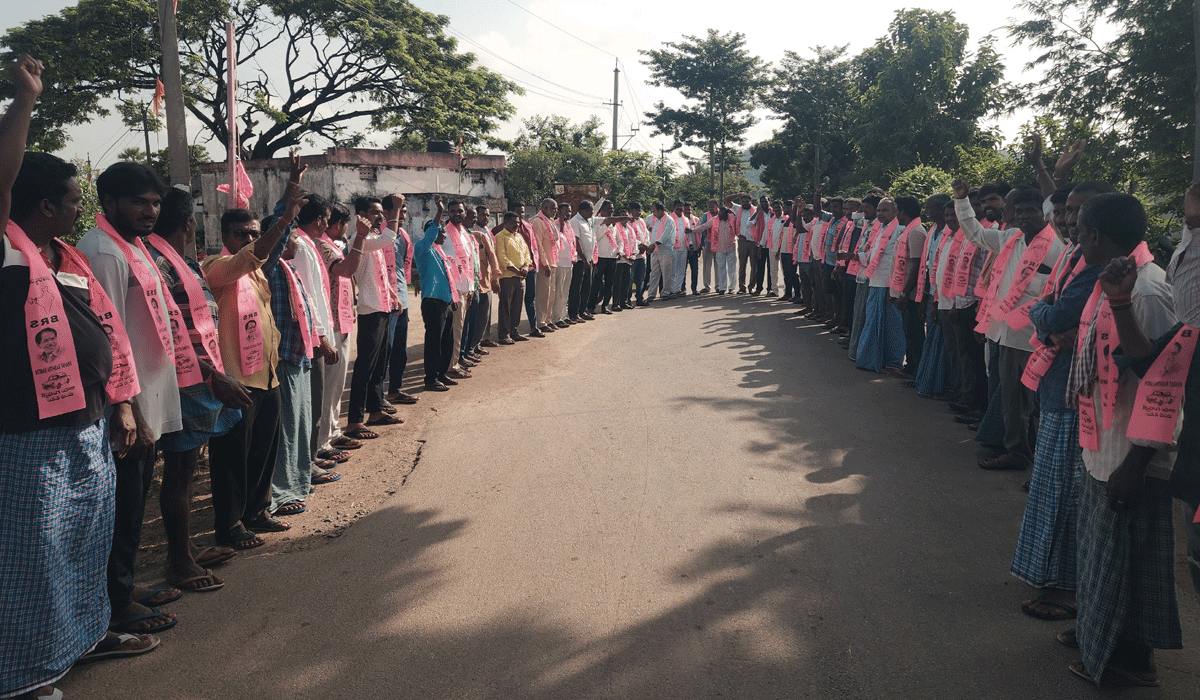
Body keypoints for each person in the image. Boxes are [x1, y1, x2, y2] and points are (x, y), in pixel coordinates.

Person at [0, 57, 158, 700]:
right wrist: (24, 102)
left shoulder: (62, 257)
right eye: (72, 198)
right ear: (42, 204)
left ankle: (80, 640)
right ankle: (27, 675)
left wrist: (120, 405)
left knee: (83, 545)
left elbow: (101, 334)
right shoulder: (7, 249)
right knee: (33, 558)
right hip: (28, 435)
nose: (79, 207)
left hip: (87, 423)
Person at [1067, 193, 1181, 687]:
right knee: (1103, 555)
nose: (1074, 236)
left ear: (1096, 235)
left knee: (1130, 562)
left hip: (1131, 454)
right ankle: (1098, 636)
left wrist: (1137, 462)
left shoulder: (1148, 291)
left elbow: (1165, 388)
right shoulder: (1109, 281)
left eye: (1079, 229)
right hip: (1104, 441)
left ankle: (1129, 658)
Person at [79, 161, 186, 635]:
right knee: (122, 507)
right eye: (139, 202)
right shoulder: (103, 251)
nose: (150, 211)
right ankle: (116, 602)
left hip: (149, 402)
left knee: (134, 502)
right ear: (110, 202)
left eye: (156, 202)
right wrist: (131, 410)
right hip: (128, 409)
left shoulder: (133, 246)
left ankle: (123, 586)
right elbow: (109, 337)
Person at [146, 187, 248, 592]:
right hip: (185, 380)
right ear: (189, 224)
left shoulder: (180, 262)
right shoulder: (158, 264)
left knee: (187, 470)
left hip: (200, 377)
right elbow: (169, 332)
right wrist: (211, 374)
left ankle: (185, 548)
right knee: (179, 470)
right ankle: (178, 561)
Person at [202, 165, 307, 551]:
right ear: (225, 237)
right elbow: (253, 256)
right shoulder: (216, 268)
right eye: (241, 234)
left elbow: (264, 256)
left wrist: (285, 208)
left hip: (267, 374)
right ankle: (229, 524)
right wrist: (284, 220)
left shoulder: (257, 272)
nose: (248, 239)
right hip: (236, 379)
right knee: (232, 456)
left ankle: (257, 511)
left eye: (252, 233)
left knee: (264, 448)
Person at [954, 180, 1065, 471]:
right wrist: (962, 201)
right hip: (1004, 332)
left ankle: (1021, 454)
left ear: (1044, 213)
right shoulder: (1012, 239)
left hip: (1031, 337)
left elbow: (1054, 292)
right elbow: (976, 234)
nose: (1024, 216)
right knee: (1011, 399)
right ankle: (1017, 449)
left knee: (1027, 401)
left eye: (1031, 210)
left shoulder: (1057, 247)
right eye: (1020, 211)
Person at [313, 204, 370, 458]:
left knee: (337, 385)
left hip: (342, 318)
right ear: (339, 224)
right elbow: (346, 270)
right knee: (329, 385)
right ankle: (322, 441)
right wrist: (361, 237)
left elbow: (347, 279)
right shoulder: (321, 246)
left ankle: (333, 431)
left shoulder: (332, 245)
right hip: (331, 323)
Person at [344, 196, 399, 440]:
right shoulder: (360, 241)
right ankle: (355, 421)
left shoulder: (372, 239)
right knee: (365, 367)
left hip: (382, 306)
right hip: (370, 309)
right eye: (375, 213)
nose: (380, 217)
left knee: (379, 364)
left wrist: (393, 295)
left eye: (381, 213)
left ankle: (375, 410)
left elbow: (379, 275)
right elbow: (389, 238)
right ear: (362, 215)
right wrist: (396, 209)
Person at [855, 197, 906, 375]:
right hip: (875, 282)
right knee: (873, 323)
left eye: (885, 210)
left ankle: (894, 362)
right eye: (879, 210)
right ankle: (874, 360)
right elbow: (872, 256)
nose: (880, 214)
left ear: (895, 212)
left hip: (889, 285)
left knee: (892, 327)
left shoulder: (900, 230)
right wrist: (854, 257)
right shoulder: (880, 229)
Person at [417, 196, 461, 389]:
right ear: (432, 233)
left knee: (446, 341)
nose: (444, 234)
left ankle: (442, 374)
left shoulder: (441, 252)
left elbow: (449, 278)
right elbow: (432, 232)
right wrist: (440, 212)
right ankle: (431, 379)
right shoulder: (423, 248)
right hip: (433, 302)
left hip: (445, 301)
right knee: (434, 342)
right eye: (440, 231)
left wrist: (453, 298)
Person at [384, 195, 418, 406]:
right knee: (385, 351)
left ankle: (395, 390)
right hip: (386, 301)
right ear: (386, 212)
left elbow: (402, 268)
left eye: (404, 211)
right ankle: (378, 397)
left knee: (399, 351)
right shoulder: (380, 236)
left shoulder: (404, 236)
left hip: (401, 298)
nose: (402, 215)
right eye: (398, 210)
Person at [495, 211, 534, 343]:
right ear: (505, 222)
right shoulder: (500, 237)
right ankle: (504, 334)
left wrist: (525, 267)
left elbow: (527, 254)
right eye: (513, 223)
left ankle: (514, 331)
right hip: (507, 277)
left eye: (518, 223)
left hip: (521, 277)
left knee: (517, 306)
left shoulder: (519, 236)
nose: (516, 225)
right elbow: (502, 257)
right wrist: (517, 270)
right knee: (505, 306)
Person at [468, 204, 501, 349]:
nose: (485, 218)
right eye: (482, 215)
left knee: (485, 313)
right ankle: (473, 345)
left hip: (487, 277)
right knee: (475, 314)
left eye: (488, 215)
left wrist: (495, 277)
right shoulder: (472, 232)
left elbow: (492, 256)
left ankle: (484, 339)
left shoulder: (487, 232)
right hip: (475, 280)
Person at [530, 198, 561, 333]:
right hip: (544, 264)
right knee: (543, 294)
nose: (555, 211)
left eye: (556, 209)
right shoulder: (537, 221)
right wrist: (544, 263)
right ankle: (541, 322)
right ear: (544, 208)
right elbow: (537, 244)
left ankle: (548, 319)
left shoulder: (550, 221)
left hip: (553, 261)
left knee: (551, 293)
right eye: (552, 208)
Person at [690, 206, 736, 294]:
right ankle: (722, 287)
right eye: (719, 213)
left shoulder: (732, 219)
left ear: (726, 214)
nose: (719, 215)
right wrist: (692, 230)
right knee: (721, 269)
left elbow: (738, 224)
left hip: (731, 247)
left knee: (731, 269)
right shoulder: (714, 219)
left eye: (721, 213)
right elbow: (704, 226)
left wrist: (732, 212)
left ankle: (731, 288)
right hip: (720, 248)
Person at [568, 200, 596, 319]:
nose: (593, 213)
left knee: (586, 287)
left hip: (588, 259)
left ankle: (582, 311)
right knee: (576, 288)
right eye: (591, 211)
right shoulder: (575, 221)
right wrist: (584, 259)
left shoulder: (588, 220)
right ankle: (574, 313)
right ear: (584, 210)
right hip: (580, 260)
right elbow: (576, 242)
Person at [643, 202, 676, 303]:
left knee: (666, 273)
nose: (653, 214)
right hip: (655, 251)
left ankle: (665, 293)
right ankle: (651, 294)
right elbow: (654, 236)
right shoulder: (657, 221)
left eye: (654, 211)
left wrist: (653, 245)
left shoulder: (669, 220)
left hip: (665, 251)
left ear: (660, 211)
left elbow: (665, 236)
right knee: (654, 273)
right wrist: (650, 245)